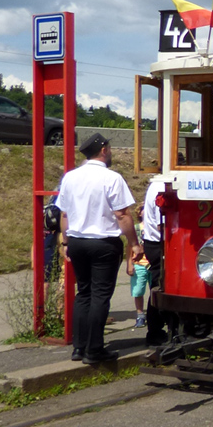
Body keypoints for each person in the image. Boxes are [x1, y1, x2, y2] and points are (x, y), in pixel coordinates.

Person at [56, 133, 142, 364]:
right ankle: (95, 349)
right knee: (100, 296)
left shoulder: (70, 177)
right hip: (103, 242)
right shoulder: (111, 178)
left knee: (83, 293)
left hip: (77, 240)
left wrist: (65, 241)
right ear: (103, 150)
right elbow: (122, 215)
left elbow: (64, 214)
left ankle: (79, 347)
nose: (111, 152)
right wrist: (134, 243)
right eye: (110, 148)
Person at [140, 177, 169, 346]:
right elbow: (162, 225)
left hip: (155, 243)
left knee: (158, 286)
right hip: (160, 244)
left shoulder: (155, 184)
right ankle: (154, 332)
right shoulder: (161, 186)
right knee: (158, 287)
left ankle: (157, 329)